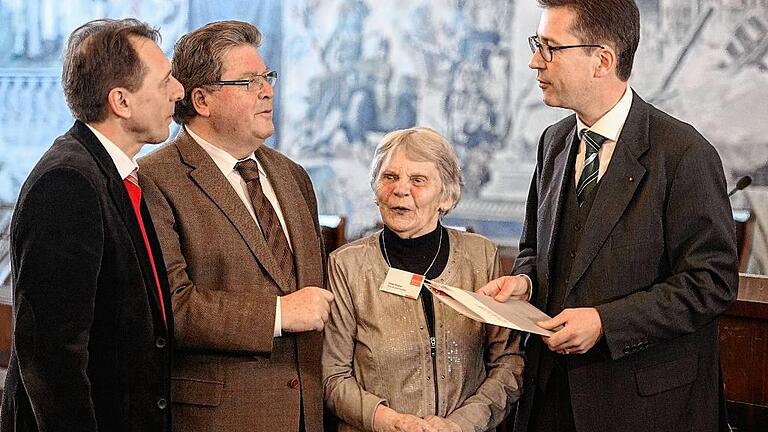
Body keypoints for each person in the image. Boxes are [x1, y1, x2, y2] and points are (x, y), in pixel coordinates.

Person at [477, 1, 739, 431]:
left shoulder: (684, 153)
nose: (534, 61)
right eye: (536, 44)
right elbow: (532, 248)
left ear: (602, 60)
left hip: (640, 407)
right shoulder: (554, 143)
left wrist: (605, 323)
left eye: (550, 48)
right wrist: (525, 282)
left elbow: (711, 282)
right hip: (548, 398)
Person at [139, 21, 331, 432]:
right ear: (202, 99)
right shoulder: (154, 180)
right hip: (219, 418)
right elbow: (172, 308)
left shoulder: (292, 175)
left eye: (267, 77)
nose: (268, 90)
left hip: (305, 415)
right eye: (249, 82)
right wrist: (279, 313)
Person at [1, 18, 183, 431]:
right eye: (165, 81)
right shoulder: (66, 184)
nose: (179, 91)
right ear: (121, 101)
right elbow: (52, 358)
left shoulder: (110, 173)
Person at [323, 127, 524, 432]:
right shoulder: (347, 266)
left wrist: (460, 425)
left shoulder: (480, 257)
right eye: (389, 177)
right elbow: (333, 377)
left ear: (447, 195)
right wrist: (393, 423)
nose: (400, 190)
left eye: (418, 180)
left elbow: (509, 364)